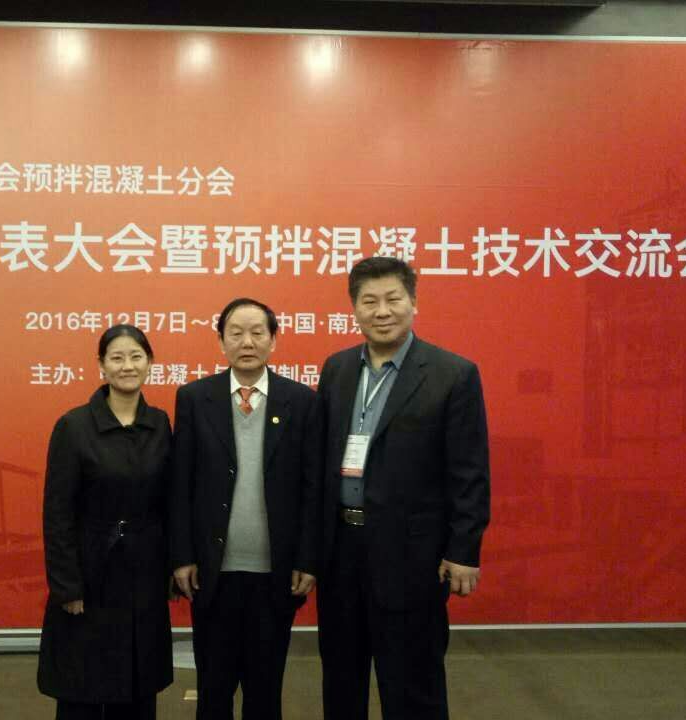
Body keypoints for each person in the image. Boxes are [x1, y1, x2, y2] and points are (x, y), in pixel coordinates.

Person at [316, 256, 491, 720]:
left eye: (393, 299)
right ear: (354, 309)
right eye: (369, 301)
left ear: (413, 303)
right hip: (341, 552)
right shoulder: (337, 369)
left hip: (412, 557)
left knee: (413, 685)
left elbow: (470, 471)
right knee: (341, 681)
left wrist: (464, 550)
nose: (382, 311)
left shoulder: (452, 374)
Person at [169, 297, 322, 720]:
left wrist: (308, 559)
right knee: (213, 690)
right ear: (221, 342)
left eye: (257, 332)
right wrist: (182, 556)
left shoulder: (301, 401)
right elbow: (180, 485)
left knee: (265, 691)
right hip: (212, 571)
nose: (247, 342)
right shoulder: (195, 398)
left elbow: (312, 488)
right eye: (235, 333)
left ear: (274, 340)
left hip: (276, 572)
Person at [38, 325, 174, 720]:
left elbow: (169, 502)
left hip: (143, 578)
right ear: (101, 365)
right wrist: (67, 586)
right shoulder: (74, 426)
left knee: (136, 686)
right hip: (90, 577)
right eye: (117, 358)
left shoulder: (160, 424)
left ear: (150, 363)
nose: (127, 366)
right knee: (82, 687)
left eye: (136, 356)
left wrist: (170, 566)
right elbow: (57, 514)